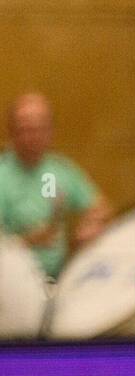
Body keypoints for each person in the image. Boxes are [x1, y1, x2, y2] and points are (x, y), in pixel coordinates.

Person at [0, 92, 110, 279]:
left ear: (50, 132)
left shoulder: (60, 169)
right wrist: (27, 241)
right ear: (12, 131)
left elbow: (100, 207)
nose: (32, 137)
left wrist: (91, 224)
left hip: (58, 278)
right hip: (10, 282)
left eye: (39, 129)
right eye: (25, 129)